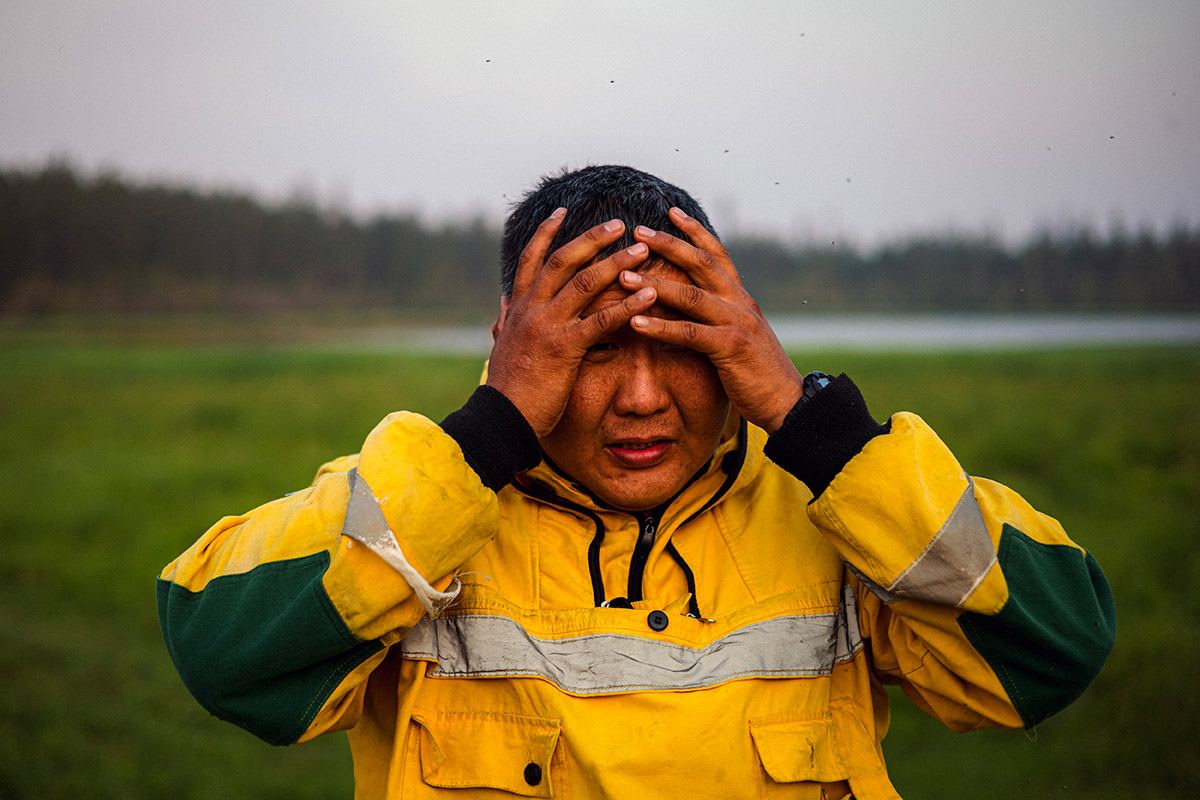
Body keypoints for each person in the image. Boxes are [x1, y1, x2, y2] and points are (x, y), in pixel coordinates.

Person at [157, 164, 1115, 799]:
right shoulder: (417, 514)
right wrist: (487, 435)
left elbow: (1055, 646)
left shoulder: (840, 513)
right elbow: (220, 650)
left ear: (739, 336)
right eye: (596, 349)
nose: (645, 398)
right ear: (512, 343)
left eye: (683, 345)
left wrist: (811, 424)